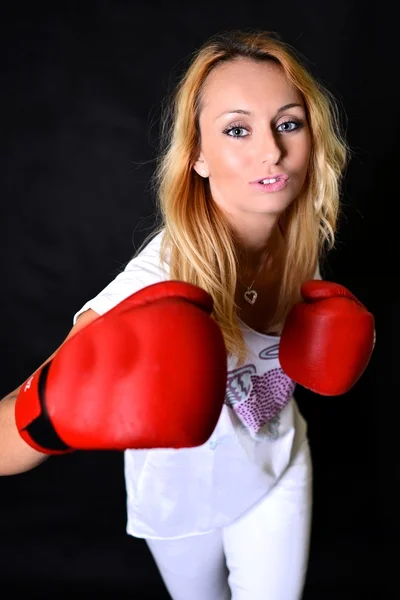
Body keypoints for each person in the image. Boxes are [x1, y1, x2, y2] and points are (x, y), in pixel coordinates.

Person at [0, 29, 375, 599]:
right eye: (237, 129)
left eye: (289, 123)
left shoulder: (298, 238)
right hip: (181, 495)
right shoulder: (160, 281)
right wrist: (49, 413)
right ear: (197, 156)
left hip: (278, 466)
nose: (270, 151)